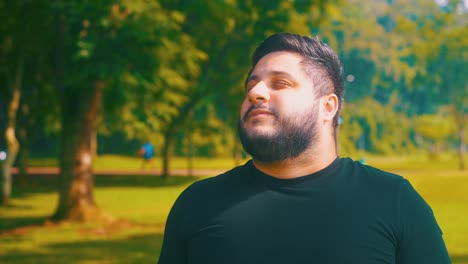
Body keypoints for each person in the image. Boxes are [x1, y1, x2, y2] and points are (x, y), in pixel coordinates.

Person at [158, 33, 450, 264]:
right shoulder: (197, 204)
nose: (255, 93)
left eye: (280, 83)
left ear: (327, 107)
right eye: (252, 85)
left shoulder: (395, 202)